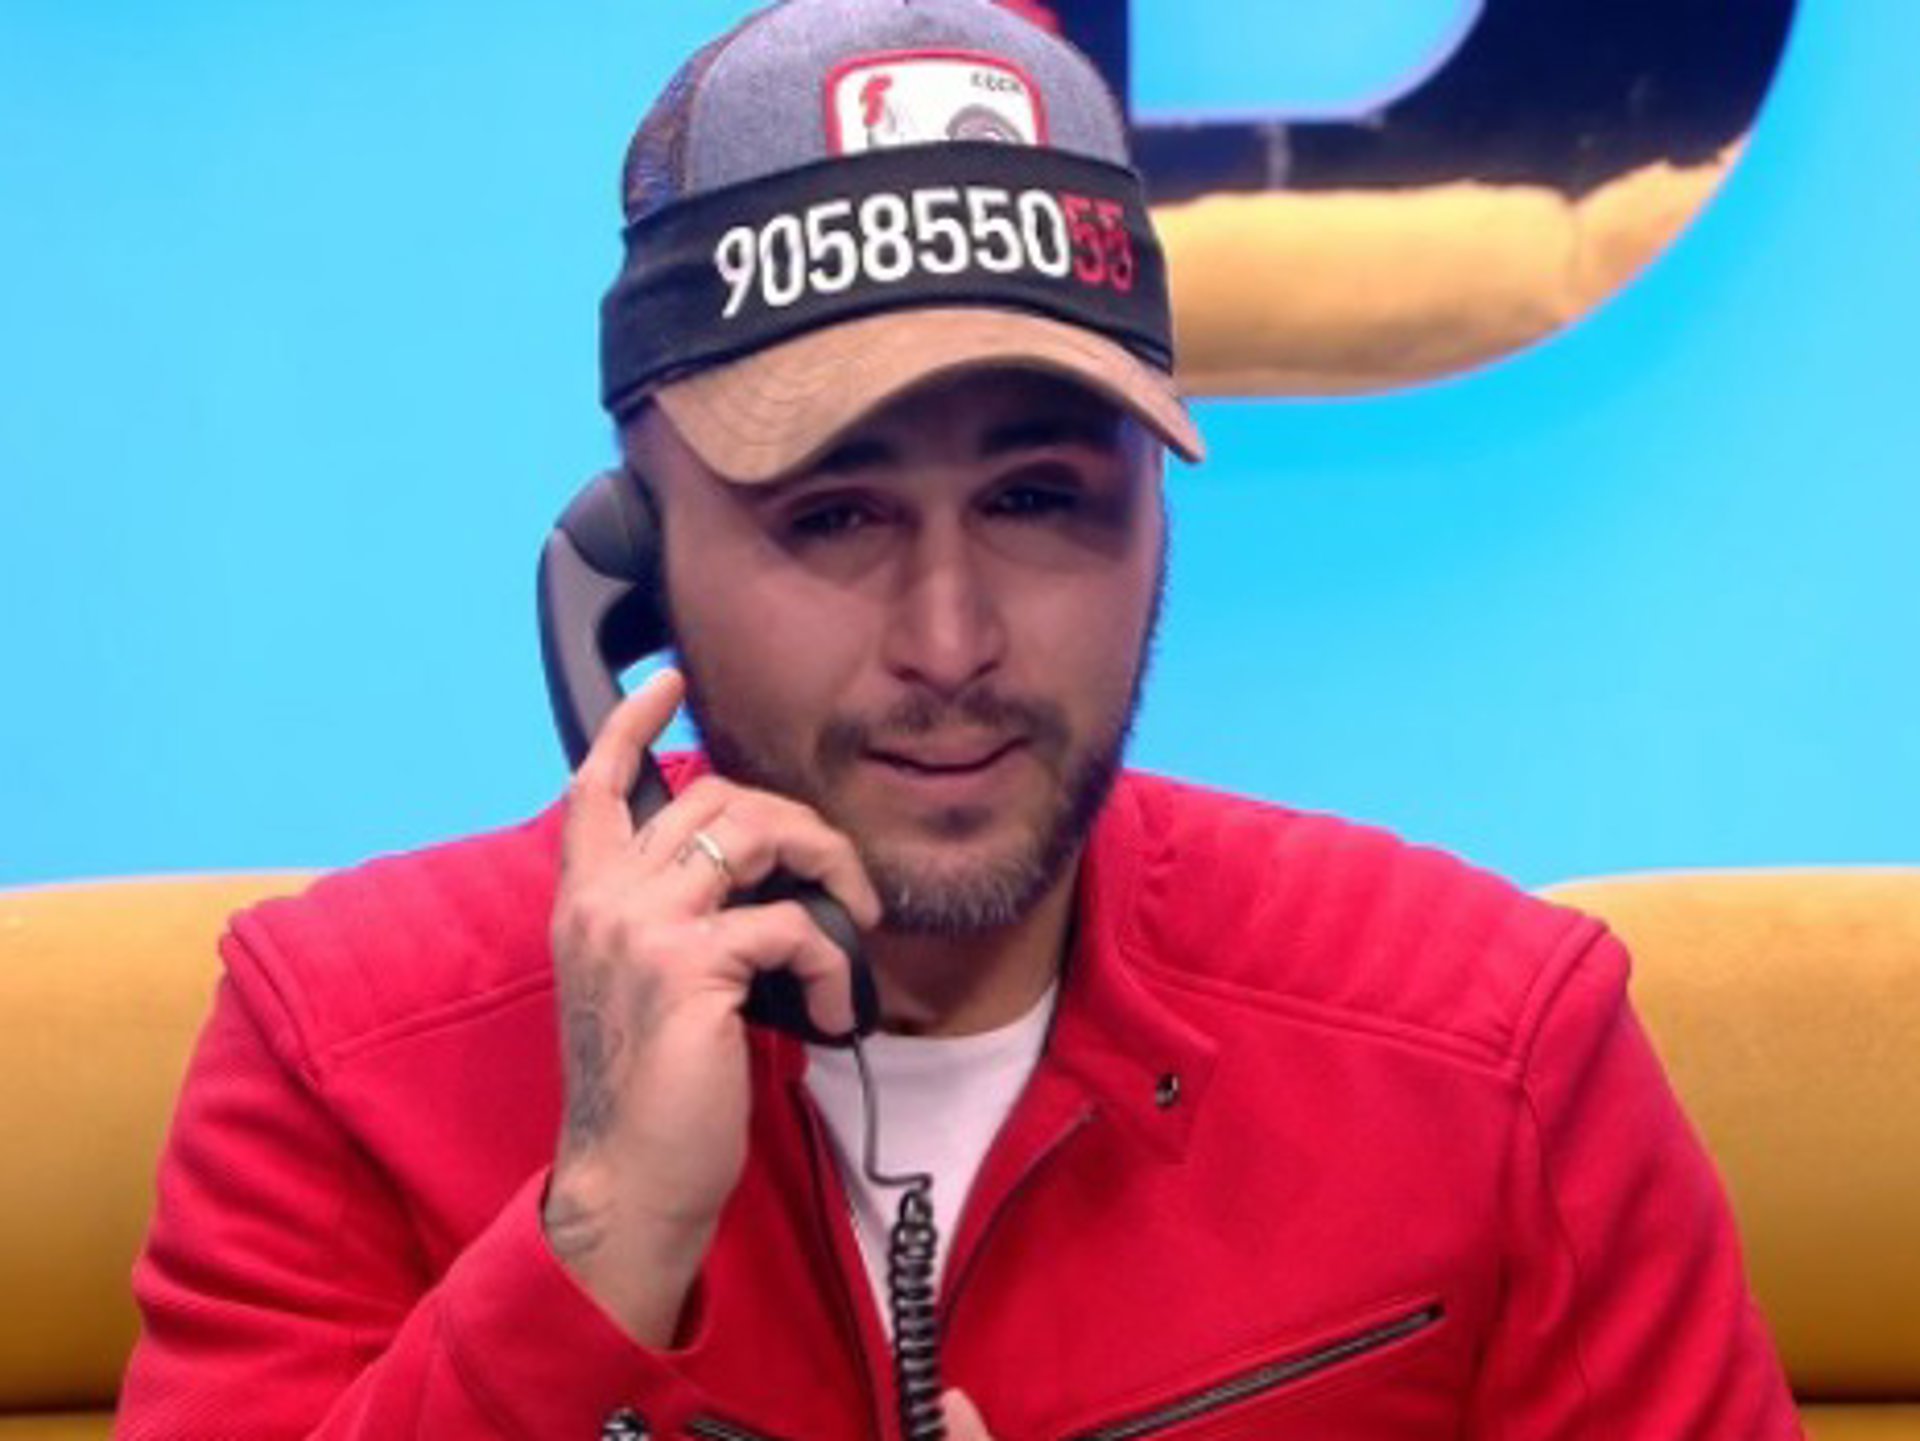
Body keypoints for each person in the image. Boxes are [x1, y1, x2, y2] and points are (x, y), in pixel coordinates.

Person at [117, 1, 1803, 1437]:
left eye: (1038, 498)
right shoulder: (341, 1050)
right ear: (635, 554)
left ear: (1154, 513)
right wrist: (598, 1242)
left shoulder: (1498, 1048)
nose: (950, 641)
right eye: (834, 514)